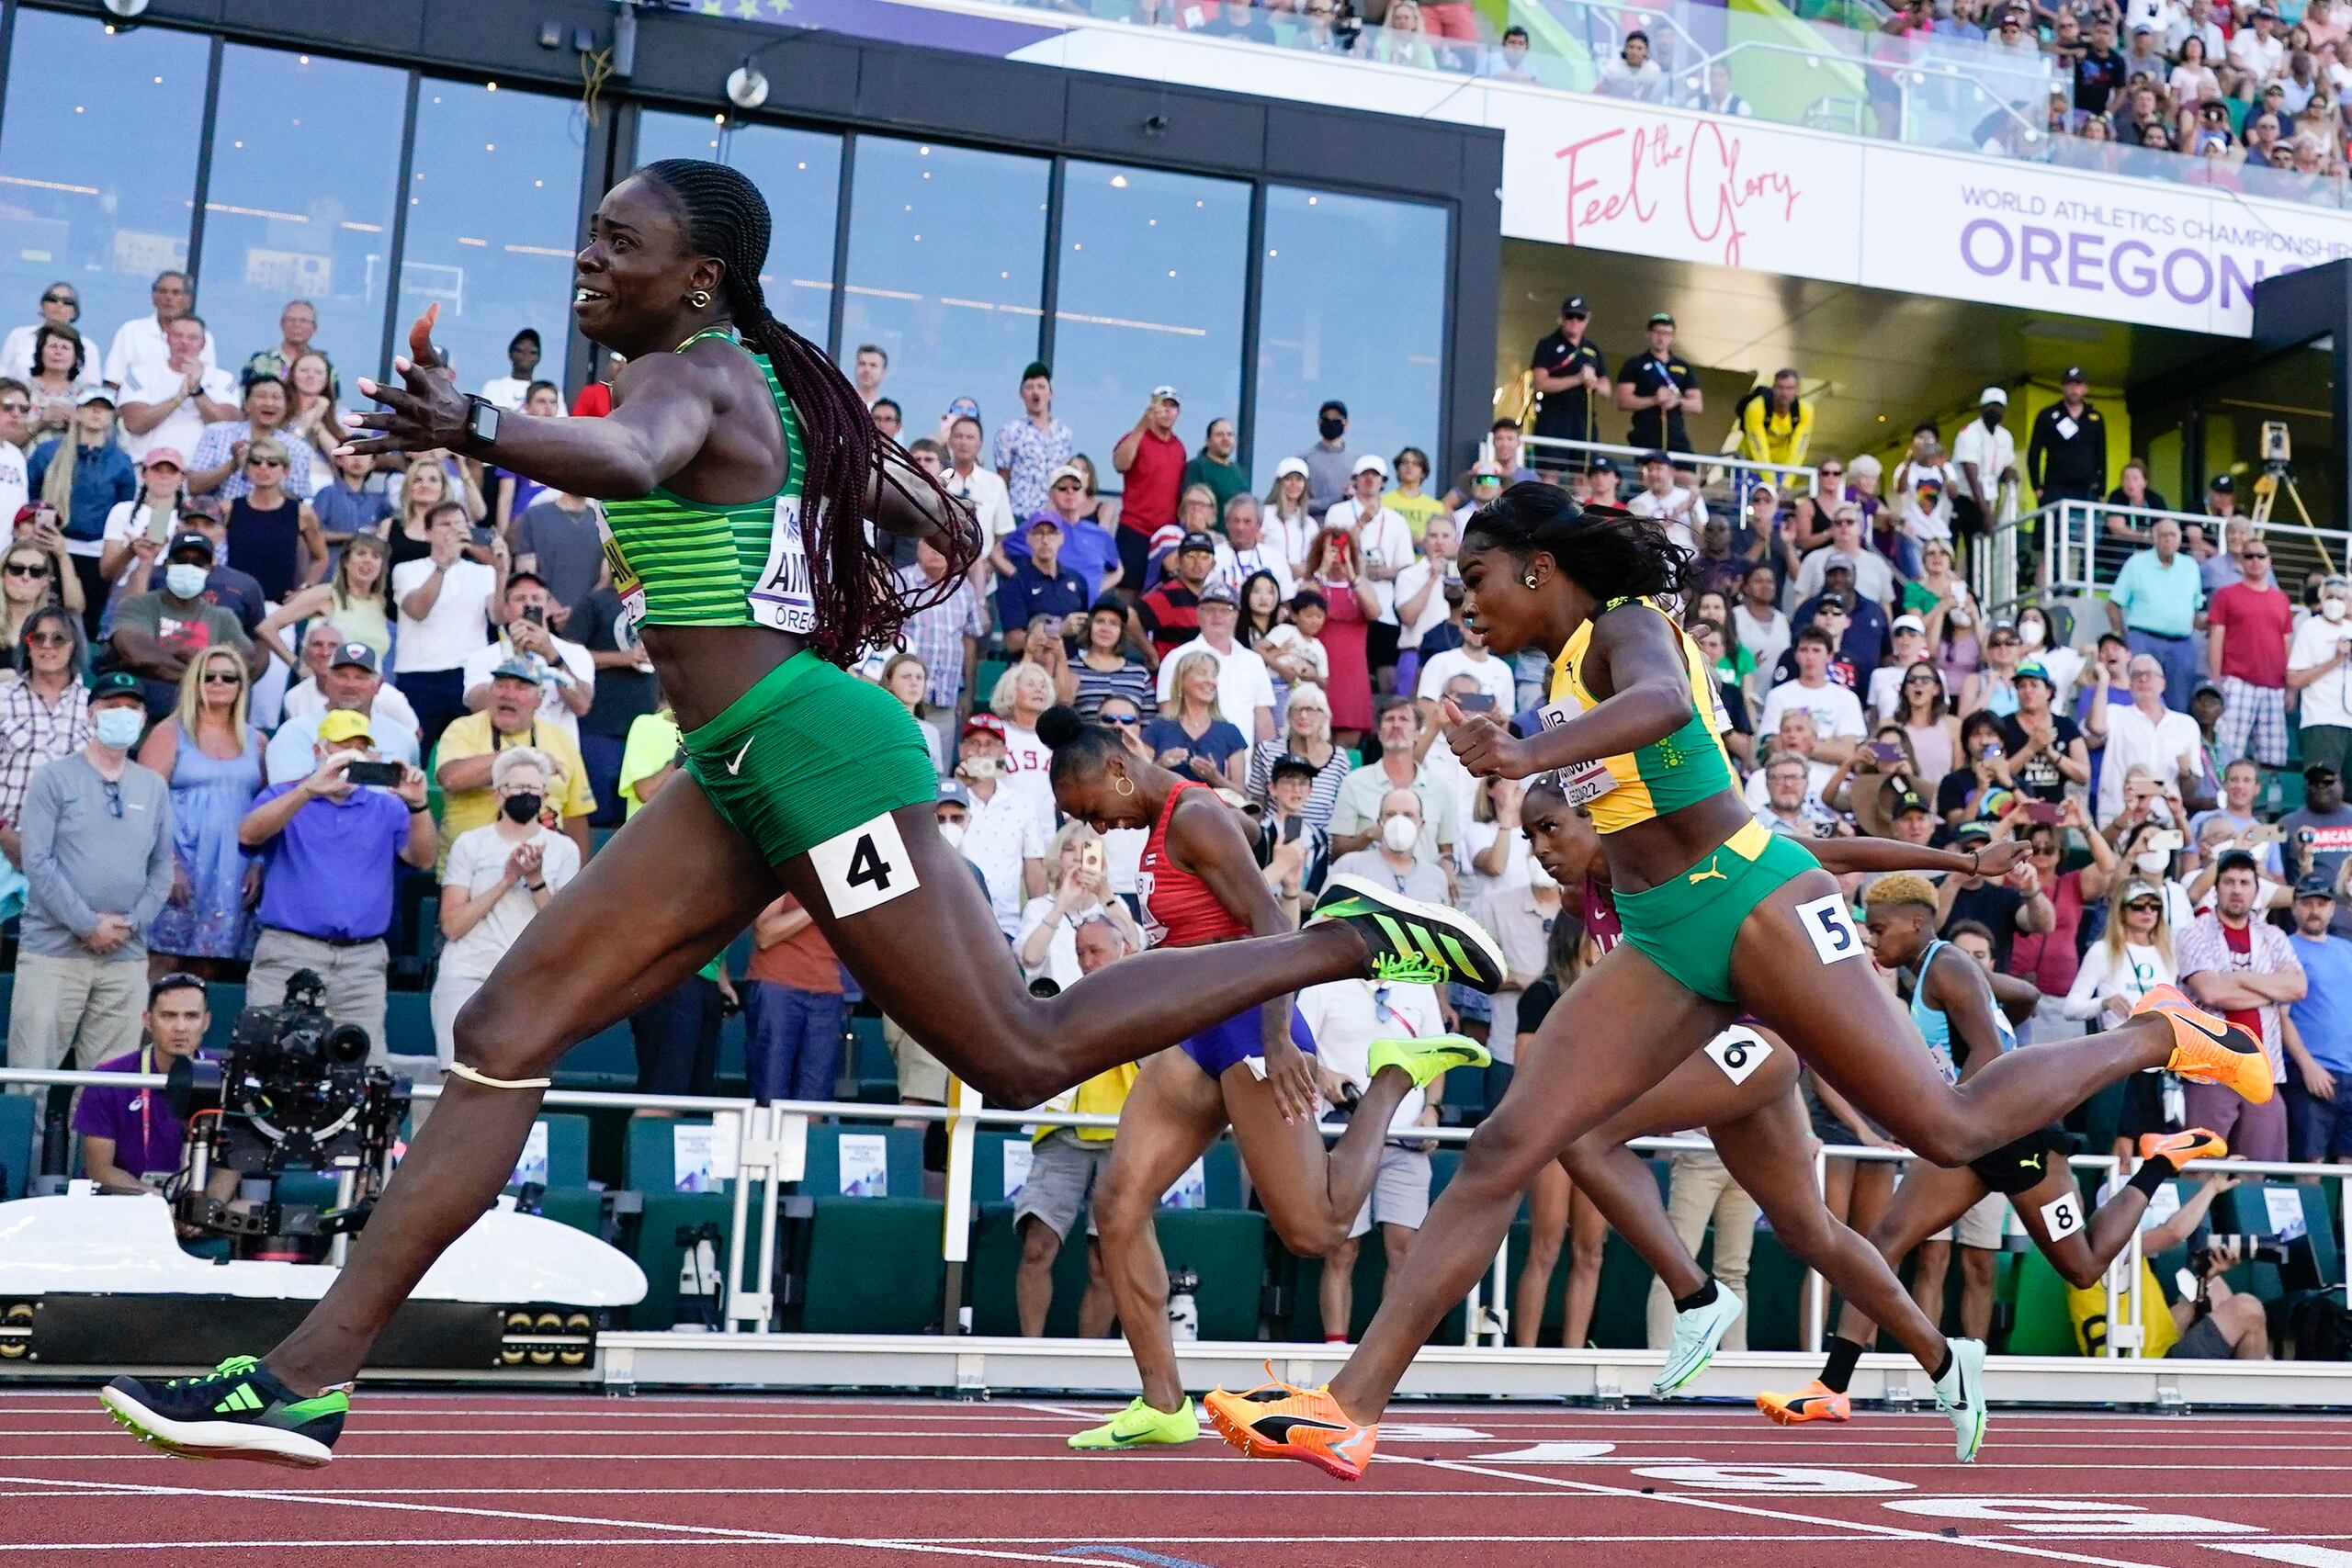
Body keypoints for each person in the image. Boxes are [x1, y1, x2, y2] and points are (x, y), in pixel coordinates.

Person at [97, 160, 1504, 1464]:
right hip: (737, 764)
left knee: (1017, 1056)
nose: (588, 260)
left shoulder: (698, 374)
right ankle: (307, 1373)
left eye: (618, 243)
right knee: (500, 1027)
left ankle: (1350, 944)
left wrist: (480, 423)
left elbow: (642, 461)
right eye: (590, 237)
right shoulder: (753, 371)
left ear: (698, 275)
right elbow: (908, 506)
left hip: (813, 754)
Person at [1210, 482, 2271, 1483]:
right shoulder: (1570, 666)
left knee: (1946, 1131)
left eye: (1476, 579)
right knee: (1506, 1143)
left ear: (1537, 568)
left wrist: (1527, 753)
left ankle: (2152, 1033)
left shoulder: (1621, 626)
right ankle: (1349, 1410)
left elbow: (1668, 705)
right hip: (1669, 937)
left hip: (1751, 899)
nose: (1465, 607)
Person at [1043, 705, 1490, 1450]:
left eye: (1092, 809)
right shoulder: (1177, 816)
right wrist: (1246, 816)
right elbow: (1245, 839)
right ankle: (1163, 1403)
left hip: (1253, 1024)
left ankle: (1389, 1079)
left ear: (1118, 771)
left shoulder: (1189, 815)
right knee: (1118, 1204)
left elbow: (1275, 930)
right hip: (1193, 1036)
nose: (1096, 827)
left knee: (1315, 1228)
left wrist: (1282, 1037)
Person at [1757, 873, 2230, 1427]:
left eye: (1880, 928)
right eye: (1867, 929)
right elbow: (2025, 996)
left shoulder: (1948, 965)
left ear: (1917, 921)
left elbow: (1985, 1047)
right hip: (1974, 1135)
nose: (1872, 939)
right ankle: (1832, 1386)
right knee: (1885, 1240)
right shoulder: (1941, 970)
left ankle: (2158, 1165)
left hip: (2013, 1135)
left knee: (2082, 1266)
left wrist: (1950, 1112)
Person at [239, 710, 435, 1061]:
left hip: (361, 960)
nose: (351, 755)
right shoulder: (285, 795)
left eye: (360, 748)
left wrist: (418, 805)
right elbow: (250, 833)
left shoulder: (386, 807)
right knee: (270, 1059)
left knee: (363, 1067)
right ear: (319, 751)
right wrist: (308, 789)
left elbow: (422, 859)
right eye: (342, 746)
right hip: (290, 951)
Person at [6, 671, 173, 1078]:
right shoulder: (53, 778)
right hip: (53, 952)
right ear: (90, 715)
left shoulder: (153, 787)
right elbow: (38, 861)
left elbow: (162, 868)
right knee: (32, 1078)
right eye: (111, 706)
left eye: (131, 708)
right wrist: (86, 924)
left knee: (108, 1089)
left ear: (144, 716)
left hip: (125, 957)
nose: (122, 715)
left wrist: (130, 926)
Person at [1015, 917, 1136, 1341]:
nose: (1087, 961)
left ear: (1124, 950)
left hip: (1122, 1138)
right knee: (1037, 1246)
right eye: (1081, 951)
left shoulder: (1147, 1001)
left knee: (1105, 1262)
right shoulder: (1061, 1003)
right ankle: (1031, 1361)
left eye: (1095, 951)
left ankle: (1087, 1364)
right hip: (1062, 1133)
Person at [431, 747, 578, 1068]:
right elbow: (453, 925)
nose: (526, 795)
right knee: (456, 1078)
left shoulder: (563, 849)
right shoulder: (471, 844)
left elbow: (562, 931)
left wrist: (536, 879)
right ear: (499, 795)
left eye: (533, 789)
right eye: (517, 788)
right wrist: (506, 880)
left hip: (528, 983)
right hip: (467, 975)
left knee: (517, 1080)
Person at [136, 648, 263, 976]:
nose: (218, 682)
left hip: (234, 867)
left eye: (228, 677)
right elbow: (145, 803)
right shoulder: (168, 732)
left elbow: (269, 805)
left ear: (241, 686)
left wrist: (260, 864)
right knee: (162, 961)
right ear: (194, 682)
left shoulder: (258, 741)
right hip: (180, 860)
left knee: (209, 965)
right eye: (208, 676)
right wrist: (168, 865)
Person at [2175, 851, 2301, 1163]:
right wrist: (2270, 990)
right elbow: (2211, 991)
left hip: (2262, 1070)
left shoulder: (2273, 936)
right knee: (2202, 1168)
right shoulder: (2193, 932)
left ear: (2256, 890)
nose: (2236, 889)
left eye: (2245, 882)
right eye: (2229, 881)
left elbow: (2297, 987)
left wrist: (2239, 978)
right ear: (2215, 887)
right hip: (2211, 1069)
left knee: (2261, 1172)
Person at [73, 973, 236, 1202]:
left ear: (206, 1022)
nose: (180, 1027)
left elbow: (232, 1164)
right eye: (168, 1016)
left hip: (200, 1206)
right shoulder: (110, 1077)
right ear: (147, 1020)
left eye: (191, 1016)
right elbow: (100, 1169)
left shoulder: (228, 1076)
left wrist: (206, 1209)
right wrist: (160, 1203)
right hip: (127, 1202)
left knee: (250, 1208)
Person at [435, 660, 597, 864]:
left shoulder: (560, 739)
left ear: (540, 699)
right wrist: (525, 756)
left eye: (522, 687)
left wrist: (576, 884)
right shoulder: (463, 729)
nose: (508, 694)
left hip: (544, 872)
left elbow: (576, 816)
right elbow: (451, 778)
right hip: (471, 873)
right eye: (501, 685)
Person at [107, 532, 261, 717]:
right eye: (181, 560)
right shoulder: (138, 605)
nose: (189, 567)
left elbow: (246, 660)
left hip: (203, 709)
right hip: (149, 703)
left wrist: (177, 652)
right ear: (167, 564)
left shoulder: (223, 617)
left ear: (210, 569)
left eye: (198, 563)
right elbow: (136, 652)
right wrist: (203, 674)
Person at [390, 502, 500, 757]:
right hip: (419, 675)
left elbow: (499, 616)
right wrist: (442, 566)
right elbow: (418, 610)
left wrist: (502, 571)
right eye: (445, 524)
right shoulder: (406, 569)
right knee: (411, 757)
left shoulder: (483, 573)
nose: (453, 530)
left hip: (469, 675)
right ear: (428, 533)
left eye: (459, 524)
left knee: (473, 757)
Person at [459, 571, 594, 741]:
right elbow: (477, 705)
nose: (529, 604)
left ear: (548, 606)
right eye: (520, 598)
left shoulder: (574, 653)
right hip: (501, 754)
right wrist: (515, 656)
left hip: (557, 755)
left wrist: (551, 655)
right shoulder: (481, 657)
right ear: (506, 609)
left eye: (536, 598)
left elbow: (582, 706)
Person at [2284, 874, 2352, 1164]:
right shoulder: (2284, 948)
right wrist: (2307, 1066)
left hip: (2349, 1072)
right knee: (2310, 1166)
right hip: (2309, 1073)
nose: (2314, 910)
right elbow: (2280, 1016)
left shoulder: (2347, 949)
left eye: (2321, 903)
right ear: (2294, 907)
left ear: (2332, 908)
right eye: (2307, 903)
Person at [2089, 653, 2204, 823]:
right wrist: (2104, 680)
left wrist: (2185, 772)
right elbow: (2096, 728)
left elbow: (2191, 789)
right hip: (2118, 813)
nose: (2143, 679)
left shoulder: (2186, 725)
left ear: (2163, 683)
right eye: (2136, 675)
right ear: (2130, 683)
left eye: (2149, 675)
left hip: (2164, 816)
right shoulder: (2116, 713)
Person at [2107, 519, 2205, 709]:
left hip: (2181, 644)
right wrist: (2122, 638)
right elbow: (2113, 605)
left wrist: (2209, 624)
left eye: (2173, 535)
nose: (2168, 540)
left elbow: (2195, 610)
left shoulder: (2190, 566)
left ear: (2179, 539)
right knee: (2139, 698)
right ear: (2154, 538)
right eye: (2163, 535)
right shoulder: (2136, 563)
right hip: (2143, 639)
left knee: (2180, 703)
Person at [117, 316, 237, 468]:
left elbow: (228, 428)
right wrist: (177, 399)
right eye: (178, 336)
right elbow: (135, 424)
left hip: (199, 474)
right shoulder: (139, 375)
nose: (184, 342)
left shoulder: (224, 379)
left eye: (192, 338)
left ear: (203, 343)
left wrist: (197, 392)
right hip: (149, 469)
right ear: (167, 339)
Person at [2289, 573, 2352, 776]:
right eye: (2330, 597)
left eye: (2340, 598)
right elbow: (2293, 679)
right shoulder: (2310, 628)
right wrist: (2334, 661)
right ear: (2322, 599)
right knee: (2323, 786)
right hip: (2321, 720)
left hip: (2349, 721)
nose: (2335, 602)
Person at [1615, 312, 1701, 460]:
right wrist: (1654, 400)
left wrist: (1676, 401)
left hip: (1676, 435)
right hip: (1646, 433)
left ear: (1673, 337)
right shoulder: (1635, 364)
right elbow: (1623, 401)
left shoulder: (1683, 366)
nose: (1661, 338)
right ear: (1648, 334)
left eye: (1666, 333)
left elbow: (1697, 405)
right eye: (1657, 332)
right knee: (1647, 476)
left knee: (1688, 478)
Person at [477, 329, 542, 413]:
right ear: (510, 354)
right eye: (520, 350)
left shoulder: (547, 393)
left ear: (538, 358)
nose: (526, 355)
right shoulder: (493, 388)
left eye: (532, 352)